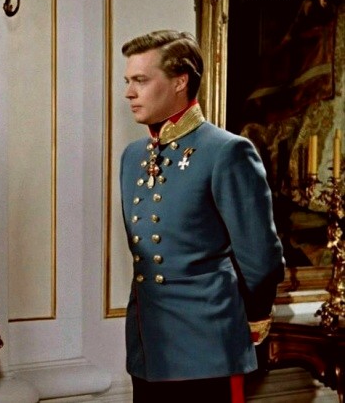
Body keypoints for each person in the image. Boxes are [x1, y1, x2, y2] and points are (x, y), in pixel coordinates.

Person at [120, 30, 285, 403]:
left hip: (208, 346)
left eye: (141, 80)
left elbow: (260, 259)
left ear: (180, 82)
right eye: (128, 81)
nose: (129, 92)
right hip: (149, 346)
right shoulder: (133, 157)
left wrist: (253, 317)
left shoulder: (226, 151)